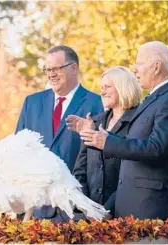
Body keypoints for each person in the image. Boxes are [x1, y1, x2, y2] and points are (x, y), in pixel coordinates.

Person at [79, 41, 168, 231]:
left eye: (139, 63)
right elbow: (133, 146)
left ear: (156, 67)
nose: (135, 69)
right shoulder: (154, 100)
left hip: (151, 207)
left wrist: (108, 142)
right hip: (130, 206)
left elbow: (155, 149)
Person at [15, 45, 104, 221]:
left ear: (74, 68)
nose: (51, 74)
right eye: (47, 69)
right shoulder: (31, 103)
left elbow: (102, 159)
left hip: (77, 209)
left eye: (56, 68)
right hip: (37, 210)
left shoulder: (96, 103)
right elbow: (19, 152)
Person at [67, 66, 142, 218]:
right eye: (101, 87)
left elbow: (131, 174)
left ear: (123, 87)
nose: (102, 92)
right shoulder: (94, 122)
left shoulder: (139, 122)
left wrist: (105, 211)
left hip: (124, 214)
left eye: (107, 87)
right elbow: (80, 169)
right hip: (88, 215)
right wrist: (85, 207)